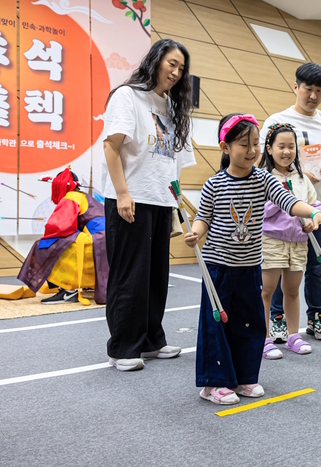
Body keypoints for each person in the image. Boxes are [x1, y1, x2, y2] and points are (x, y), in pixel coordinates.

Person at [184, 113, 321, 405]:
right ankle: (213, 384)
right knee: (216, 323)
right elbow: (203, 218)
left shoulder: (264, 180)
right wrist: (195, 232)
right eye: (245, 144)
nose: (253, 150)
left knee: (250, 321)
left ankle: (245, 376)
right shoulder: (214, 184)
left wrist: (314, 213)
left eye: (256, 143)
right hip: (218, 266)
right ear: (225, 148)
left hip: (249, 266)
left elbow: (289, 202)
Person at [101, 38, 196, 372]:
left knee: (157, 275)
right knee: (130, 275)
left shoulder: (172, 108)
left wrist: (177, 199)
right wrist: (122, 193)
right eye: (172, 63)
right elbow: (111, 148)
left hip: (159, 200)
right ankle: (124, 347)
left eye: (181, 68)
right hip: (130, 198)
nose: (175, 72)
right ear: (155, 60)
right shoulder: (128, 96)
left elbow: (173, 164)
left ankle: (151, 339)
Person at [259, 62, 321, 343]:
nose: (313, 96)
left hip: (317, 208)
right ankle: (277, 321)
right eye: (308, 89)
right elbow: (263, 162)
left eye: (319, 91)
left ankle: (317, 318)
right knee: (278, 269)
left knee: (317, 266)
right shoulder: (277, 120)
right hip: (281, 214)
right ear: (295, 87)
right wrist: (297, 171)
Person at [259, 123, 318, 360]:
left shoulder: (302, 178)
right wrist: (285, 202)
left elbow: (314, 205)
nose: (286, 151)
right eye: (281, 146)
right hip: (271, 241)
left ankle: (294, 336)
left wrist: (312, 220)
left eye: (291, 146)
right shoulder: (262, 177)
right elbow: (258, 210)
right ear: (269, 149)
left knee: (292, 291)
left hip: (298, 242)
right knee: (266, 291)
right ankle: (263, 339)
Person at [18, 168, 109, 305]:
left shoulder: (71, 197)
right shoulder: (85, 196)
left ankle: (68, 289)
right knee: (62, 243)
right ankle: (86, 285)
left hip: (95, 239)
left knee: (45, 246)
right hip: (105, 239)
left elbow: (60, 227)